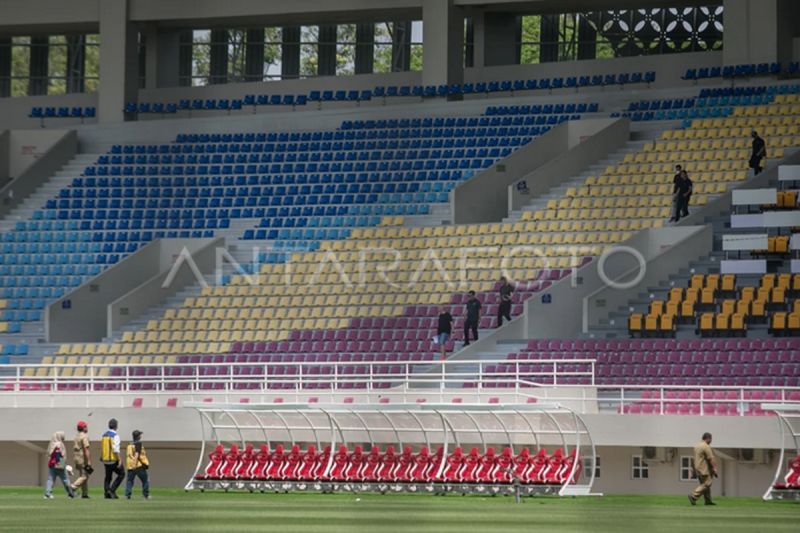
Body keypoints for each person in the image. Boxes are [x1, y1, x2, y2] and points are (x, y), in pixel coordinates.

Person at [689, 432, 718, 506]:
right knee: (707, 483)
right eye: (711, 439)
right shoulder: (706, 446)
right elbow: (711, 458)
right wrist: (714, 468)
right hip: (704, 469)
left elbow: (693, 458)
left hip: (698, 468)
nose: (711, 441)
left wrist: (692, 469)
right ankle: (693, 496)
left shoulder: (697, 446)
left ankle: (708, 501)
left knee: (705, 485)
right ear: (708, 438)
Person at [44, 431, 75, 499]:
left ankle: (47, 493)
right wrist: (63, 464)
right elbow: (62, 455)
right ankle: (71, 493)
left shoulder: (51, 443)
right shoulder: (60, 444)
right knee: (65, 479)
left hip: (52, 464)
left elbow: (49, 454)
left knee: (50, 479)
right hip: (60, 464)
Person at [101, 418, 125, 499]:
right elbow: (116, 449)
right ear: (116, 426)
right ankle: (112, 490)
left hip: (105, 459)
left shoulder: (104, 435)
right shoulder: (115, 436)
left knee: (108, 477)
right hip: (113, 459)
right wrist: (120, 460)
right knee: (122, 474)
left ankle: (106, 493)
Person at [124, 430, 150, 500]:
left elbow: (129, 455)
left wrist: (132, 465)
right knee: (145, 480)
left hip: (130, 465)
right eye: (140, 435)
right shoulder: (138, 443)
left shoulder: (130, 444)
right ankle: (145, 495)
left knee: (129, 481)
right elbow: (136, 454)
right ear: (138, 436)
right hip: (138, 465)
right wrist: (135, 464)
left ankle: (127, 495)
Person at [70, 420, 93, 499]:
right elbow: (86, 449)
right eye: (86, 426)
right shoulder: (84, 436)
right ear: (83, 428)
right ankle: (73, 487)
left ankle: (84, 494)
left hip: (76, 458)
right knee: (84, 476)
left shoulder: (76, 436)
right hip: (82, 458)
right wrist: (89, 461)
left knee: (82, 475)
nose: (87, 428)